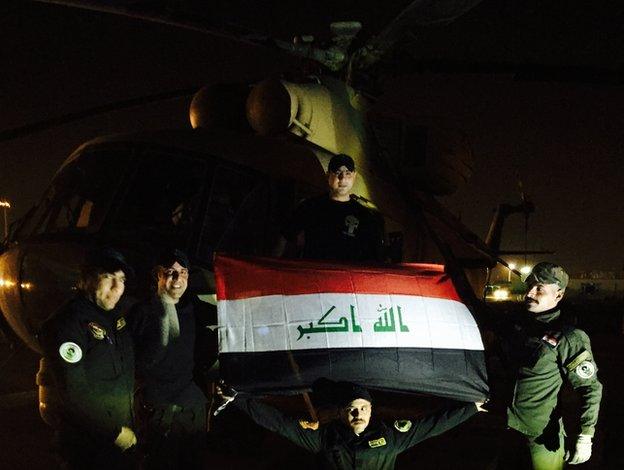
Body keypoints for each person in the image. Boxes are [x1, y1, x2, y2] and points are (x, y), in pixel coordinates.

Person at [216, 380, 482, 469]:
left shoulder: (391, 436)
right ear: (342, 414)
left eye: (363, 408)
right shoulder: (325, 437)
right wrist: (238, 399)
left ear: (371, 410)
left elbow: (433, 425)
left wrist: (471, 408)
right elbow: (279, 424)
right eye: (351, 409)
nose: (358, 413)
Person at [39, 247, 136, 470]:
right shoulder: (68, 324)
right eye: (108, 277)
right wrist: (114, 433)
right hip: (89, 446)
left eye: (121, 279)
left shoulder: (113, 319)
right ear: (87, 280)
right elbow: (74, 391)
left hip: (119, 436)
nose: (116, 287)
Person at [499, 262, 602, 469]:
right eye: (529, 286)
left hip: (541, 438)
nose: (530, 292)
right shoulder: (518, 326)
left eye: (540, 289)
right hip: (508, 431)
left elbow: (590, 387)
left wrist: (585, 436)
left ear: (558, 295)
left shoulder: (569, 338)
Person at [129, 248, 207, 470]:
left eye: (183, 272)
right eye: (170, 272)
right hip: (159, 414)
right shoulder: (141, 313)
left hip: (191, 411)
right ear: (158, 276)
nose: (177, 278)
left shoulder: (194, 311)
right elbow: (130, 362)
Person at [275, 153, 384, 262]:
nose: (343, 178)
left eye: (348, 173)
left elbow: (373, 256)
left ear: (354, 176)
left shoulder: (364, 215)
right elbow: (285, 235)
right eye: (337, 173)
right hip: (314, 275)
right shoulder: (310, 206)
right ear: (328, 176)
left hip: (346, 278)